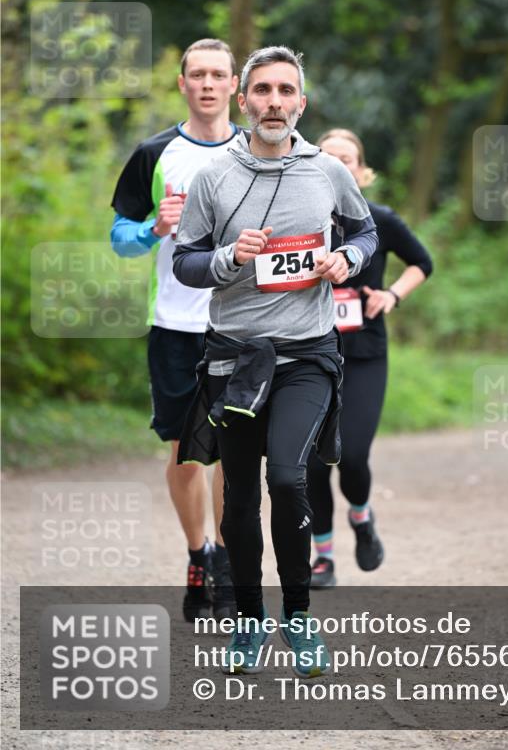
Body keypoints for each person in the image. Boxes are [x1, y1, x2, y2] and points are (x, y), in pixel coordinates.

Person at [172, 45, 378, 677]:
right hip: (236, 357)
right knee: (237, 501)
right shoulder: (214, 177)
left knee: (287, 479)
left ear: (302, 103)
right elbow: (186, 263)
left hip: (307, 355)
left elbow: (365, 233)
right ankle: (246, 621)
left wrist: (350, 261)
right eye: (262, 91)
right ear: (245, 99)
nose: (274, 103)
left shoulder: (327, 171)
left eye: (286, 92)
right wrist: (232, 257)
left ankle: (297, 616)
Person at [110, 38, 239, 621]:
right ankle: (199, 555)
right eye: (198, 74)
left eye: (219, 75)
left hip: (245, 326)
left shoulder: (263, 151)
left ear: (235, 85)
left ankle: (232, 563)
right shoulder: (154, 152)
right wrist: (152, 230)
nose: (208, 84)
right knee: (188, 455)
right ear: (182, 83)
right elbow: (119, 237)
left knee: (236, 454)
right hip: (175, 325)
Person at [306, 129, 433, 588]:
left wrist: (392, 295)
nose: (340, 167)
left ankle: (360, 516)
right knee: (313, 463)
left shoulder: (380, 220)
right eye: (330, 158)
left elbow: (422, 262)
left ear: (362, 172)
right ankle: (322, 557)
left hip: (364, 354)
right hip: (308, 353)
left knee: (353, 455)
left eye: (349, 160)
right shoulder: (299, 220)